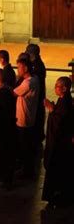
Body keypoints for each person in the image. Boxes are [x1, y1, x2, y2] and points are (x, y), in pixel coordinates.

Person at [42, 77, 73, 207]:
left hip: (59, 145)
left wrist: (52, 109)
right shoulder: (64, 100)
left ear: (64, 89)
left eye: (57, 85)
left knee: (57, 170)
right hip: (58, 142)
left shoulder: (66, 102)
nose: (55, 87)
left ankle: (57, 197)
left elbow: (61, 122)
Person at [14, 55, 39, 179]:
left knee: (24, 146)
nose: (18, 70)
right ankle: (27, 169)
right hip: (29, 117)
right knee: (27, 145)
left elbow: (13, 93)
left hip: (24, 118)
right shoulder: (35, 79)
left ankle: (26, 171)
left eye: (19, 67)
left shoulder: (28, 82)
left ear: (26, 68)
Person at [26, 44, 47, 149]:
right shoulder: (36, 63)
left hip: (38, 96)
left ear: (31, 54)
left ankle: (37, 137)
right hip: (39, 94)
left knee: (38, 115)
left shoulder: (37, 66)